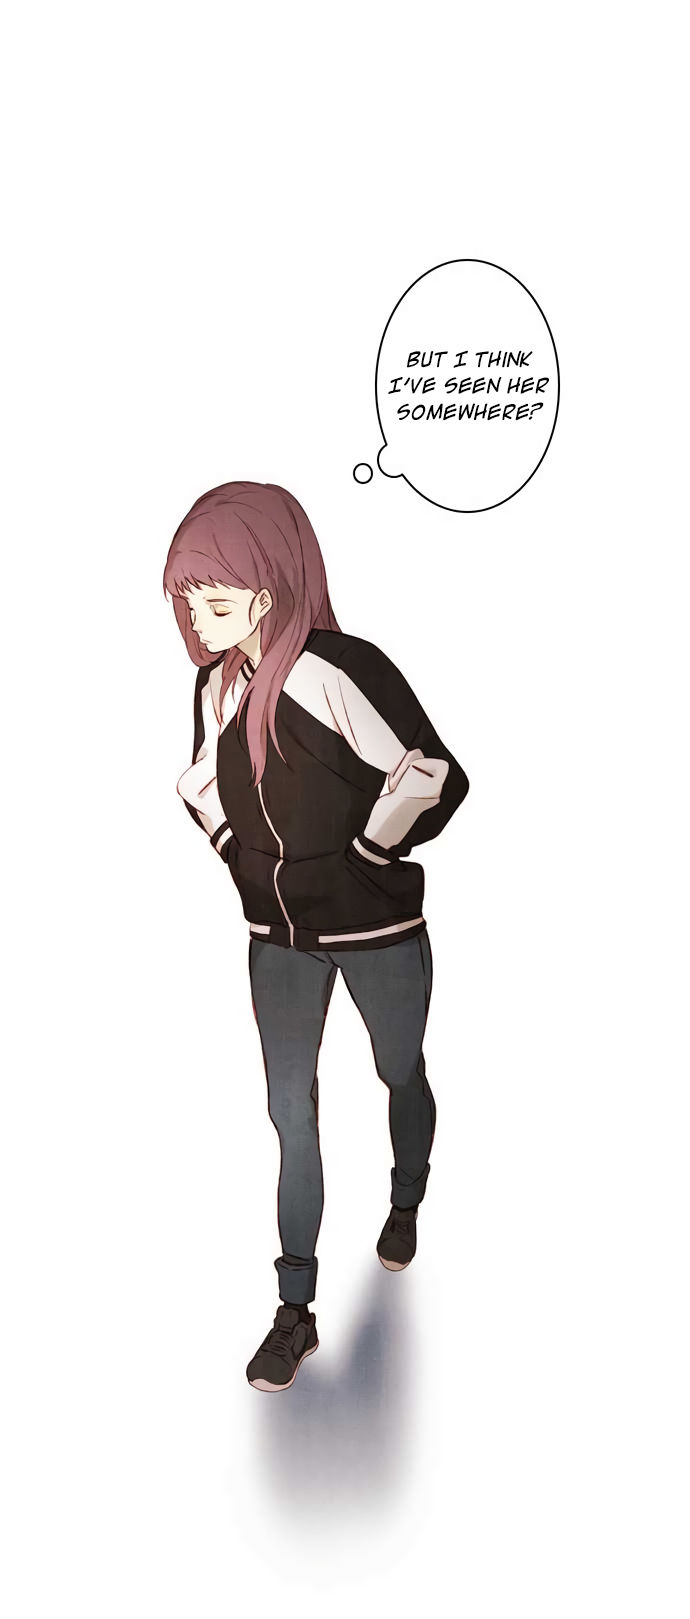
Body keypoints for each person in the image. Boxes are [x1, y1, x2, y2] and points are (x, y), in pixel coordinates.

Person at [164, 480, 469, 1390]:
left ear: (268, 589)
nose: (196, 617)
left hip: (378, 926)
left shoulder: (337, 669)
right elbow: (202, 782)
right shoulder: (215, 688)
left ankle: (406, 1198)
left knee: (398, 1069)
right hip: (278, 938)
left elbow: (433, 774)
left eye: (213, 596)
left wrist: (370, 853)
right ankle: (294, 1311)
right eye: (186, 599)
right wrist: (238, 856)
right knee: (289, 1115)